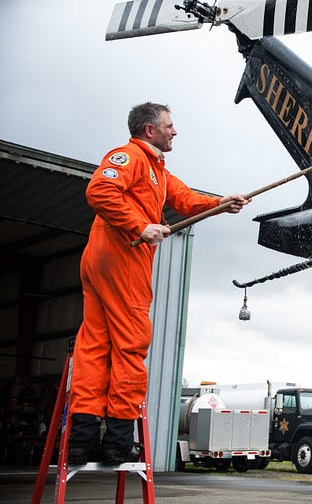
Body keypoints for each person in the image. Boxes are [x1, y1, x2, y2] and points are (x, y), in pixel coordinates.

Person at [68, 102, 251, 464]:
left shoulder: (157, 171)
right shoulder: (130, 157)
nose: (175, 131)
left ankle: (81, 438)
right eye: (169, 125)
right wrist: (140, 225)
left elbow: (184, 199)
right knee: (130, 345)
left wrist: (220, 203)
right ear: (149, 130)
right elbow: (99, 192)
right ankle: (118, 440)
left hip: (100, 259)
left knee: (95, 344)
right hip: (123, 259)